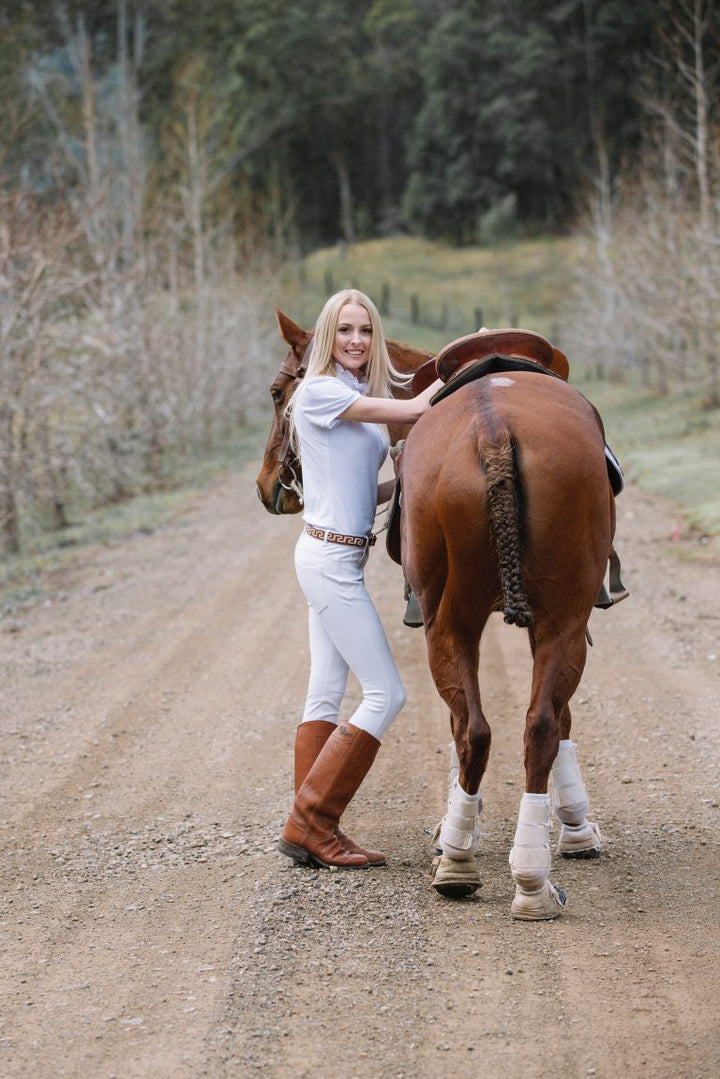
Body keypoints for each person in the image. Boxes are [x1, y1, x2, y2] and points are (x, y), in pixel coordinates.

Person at [277, 289, 442, 870]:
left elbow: (357, 490)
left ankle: (317, 826)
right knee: (387, 694)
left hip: (340, 556)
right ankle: (310, 825)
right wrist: (454, 376)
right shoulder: (319, 390)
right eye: (345, 329)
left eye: (365, 331)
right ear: (327, 335)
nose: (355, 340)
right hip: (327, 561)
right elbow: (416, 410)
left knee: (325, 692)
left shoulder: (351, 394)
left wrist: (404, 485)